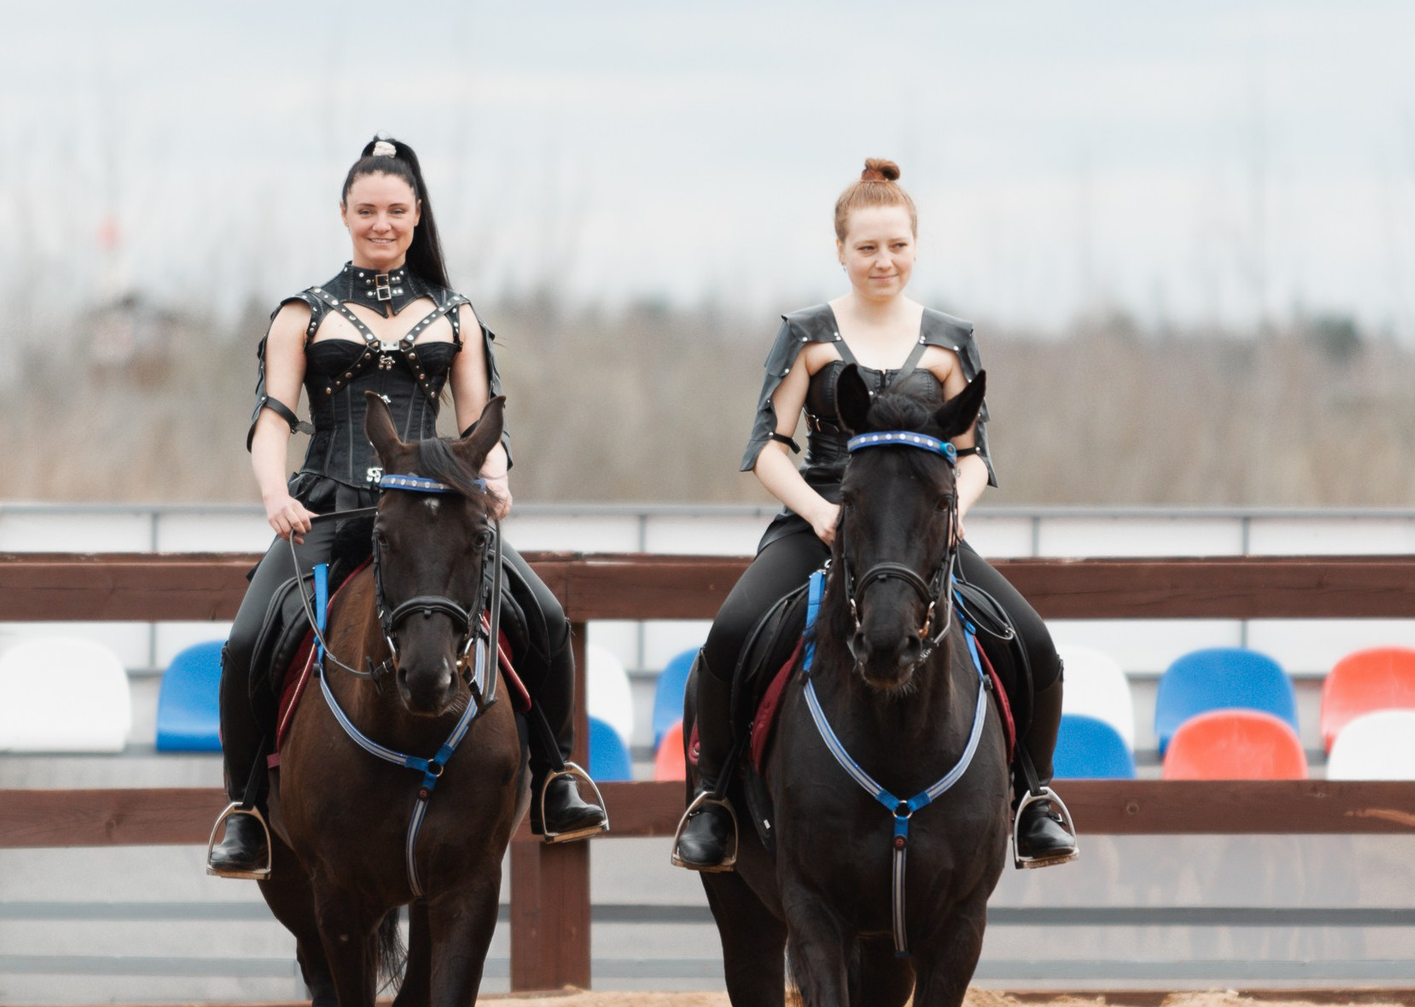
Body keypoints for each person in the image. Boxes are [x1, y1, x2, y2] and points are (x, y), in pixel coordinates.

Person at [207, 137, 608, 876]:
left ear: (417, 213)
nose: (381, 223)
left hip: (436, 513)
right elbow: (272, 420)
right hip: (328, 507)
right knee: (246, 642)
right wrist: (273, 494)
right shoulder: (302, 313)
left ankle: (556, 777)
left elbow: (482, 417)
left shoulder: (456, 314)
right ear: (344, 214)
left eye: (396, 209)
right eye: (367, 210)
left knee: (545, 618)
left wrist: (496, 480)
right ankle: (245, 810)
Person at [670, 159, 1079, 872]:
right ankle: (713, 802)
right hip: (824, 516)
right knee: (732, 632)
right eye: (866, 246)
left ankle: (1033, 797)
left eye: (896, 245)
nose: (882, 260)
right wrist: (821, 511)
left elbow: (975, 455)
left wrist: (955, 517)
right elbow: (766, 447)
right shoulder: (806, 333)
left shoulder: (952, 339)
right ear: (841, 250)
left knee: (1035, 644)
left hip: (923, 532)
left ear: (915, 246)